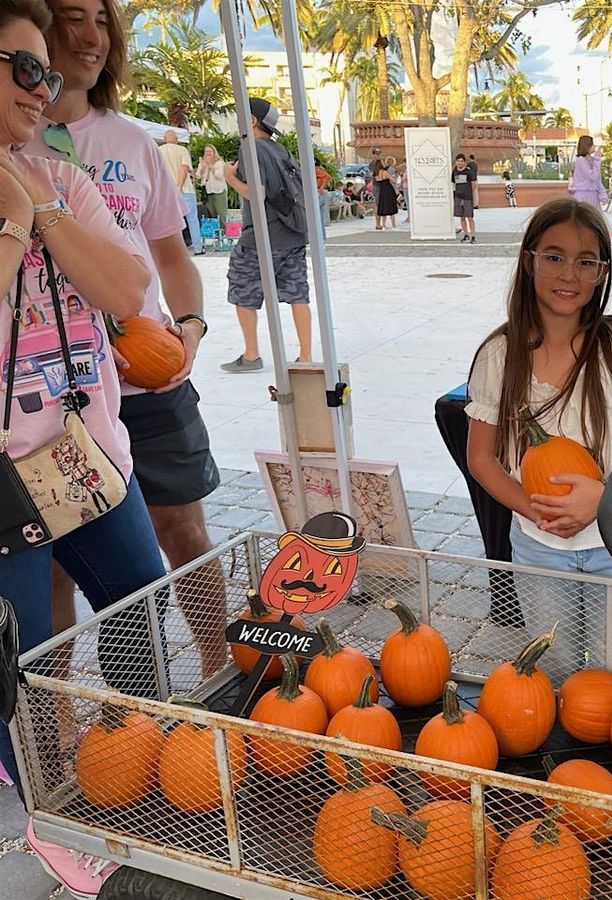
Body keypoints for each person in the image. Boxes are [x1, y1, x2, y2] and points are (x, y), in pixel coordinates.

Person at [0, 2, 162, 893]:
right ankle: (41, 830)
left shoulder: (61, 173)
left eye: (46, 74)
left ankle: (135, 774)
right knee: (13, 673)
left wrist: (44, 209)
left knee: (141, 609)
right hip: (6, 482)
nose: (44, 88)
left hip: (91, 453)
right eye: (24, 68)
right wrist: (14, 225)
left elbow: (130, 287)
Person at [30, 0, 228, 693]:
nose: (89, 36)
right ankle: (58, 711)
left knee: (183, 530)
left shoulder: (133, 142)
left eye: (102, 21)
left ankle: (215, 670)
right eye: (72, 17)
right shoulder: (17, 149)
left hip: (149, 376)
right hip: (51, 400)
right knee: (55, 559)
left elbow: (170, 259)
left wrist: (192, 328)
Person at [465, 198, 612, 681]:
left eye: (585, 261)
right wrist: (534, 508)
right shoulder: (499, 355)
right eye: (554, 256)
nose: (569, 274)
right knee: (555, 669)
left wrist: (601, 504)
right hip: (538, 545)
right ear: (529, 262)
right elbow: (482, 459)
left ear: (601, 272)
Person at [221, 97, 312, 371]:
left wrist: (230, 178)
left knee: (242, 288)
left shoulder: (250, 149)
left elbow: (256, 194)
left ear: (251, 121)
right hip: (293, 234)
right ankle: (305, 356)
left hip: (262, 238)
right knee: (298, 294)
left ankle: (251, 355)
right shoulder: (280, 149)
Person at [157, 127, 204, 256]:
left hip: (167, 192)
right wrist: (180, 185)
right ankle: (198, 248)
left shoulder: (158, 151)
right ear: (177, 140)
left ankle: (174, 250)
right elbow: (184, 168)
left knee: (171, 221)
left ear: (164, 139)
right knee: (192, 219)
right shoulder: (182, 150)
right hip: (185, 190)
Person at [567, 135, 607, 211]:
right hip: (583, 194)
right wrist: (597, 160)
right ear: (587, 146)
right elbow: (592, 176)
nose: (594, 146)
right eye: (592, 144)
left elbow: (597, 180)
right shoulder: (580, 160)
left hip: (593, 194)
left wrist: (603, 195)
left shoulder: (592, 160)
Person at [195, 143, 227, 221]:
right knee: (211, 213)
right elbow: (198, 176)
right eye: (206, 152)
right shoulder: (202, 163)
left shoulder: (220, 163)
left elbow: (220, 176)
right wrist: (202, 167)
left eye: (210, 151)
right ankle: (214, 231)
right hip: (208, 192)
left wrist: (210, 166)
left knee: (221, 213)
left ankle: (225, 231)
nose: (208, 153)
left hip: (219, 190)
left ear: (214, 152)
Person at [452, 152, 477, 243]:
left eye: (462, 161)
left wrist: (472, 196)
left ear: (465, 162)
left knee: (469, 217)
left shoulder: (469, 172)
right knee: (461, 217)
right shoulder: (454, 171)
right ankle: (465, 234)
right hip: (458, 197)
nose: (460, 163)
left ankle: (473, 236)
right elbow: (454, 183)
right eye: (458, 161)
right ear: (456, 162)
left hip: (467, 198)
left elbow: (474, 184)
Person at [371, 158, 398, 230]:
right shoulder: (385, 172)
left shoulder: (375, 174)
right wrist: (394, 176)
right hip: (388, 190)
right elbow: (394, 181)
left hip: (382, 191)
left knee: (384, 207)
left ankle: (384, 225)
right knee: (391, 207)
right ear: (381, 164)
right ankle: (394, 225)